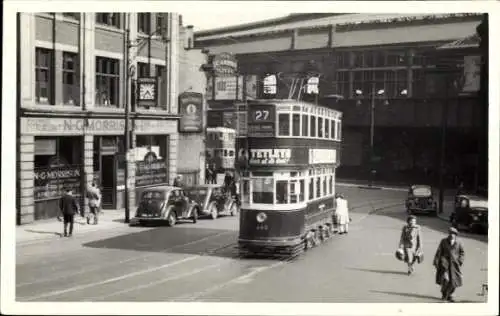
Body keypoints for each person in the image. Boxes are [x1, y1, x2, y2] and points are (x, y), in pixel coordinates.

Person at [433, 227, 465, 302]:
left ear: (456, 235)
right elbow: (439, 251)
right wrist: (436, 261)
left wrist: (460, 260)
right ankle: (445, 295)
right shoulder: (443, 241)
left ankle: (449, 295)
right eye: (450, 233)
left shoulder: (459, 242)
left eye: (453, 234)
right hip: (445, 263)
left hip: (454, 264)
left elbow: (462, 252)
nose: (451, 235)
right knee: (445, 280)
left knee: (454, 281)